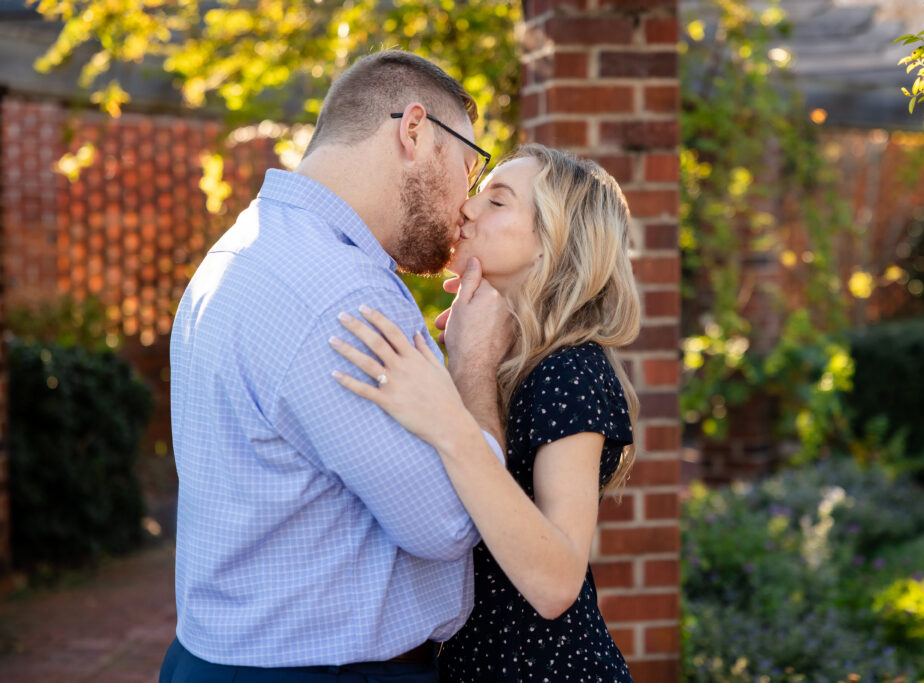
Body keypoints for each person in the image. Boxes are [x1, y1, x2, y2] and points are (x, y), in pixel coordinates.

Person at [160, 49, 512, 683]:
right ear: (414, 130)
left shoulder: (240, 251)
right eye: (471, 166)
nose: (469, 202)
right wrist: (474, 364)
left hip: (225, 657)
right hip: (325, 671)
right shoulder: (344, 294)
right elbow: (451, 523)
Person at [330, 144, 639, 682]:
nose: (468, 209)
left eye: (498, 201)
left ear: (552, 245)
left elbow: (556, 584)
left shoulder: (569, 369)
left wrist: (447, 417)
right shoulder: (497, 361)